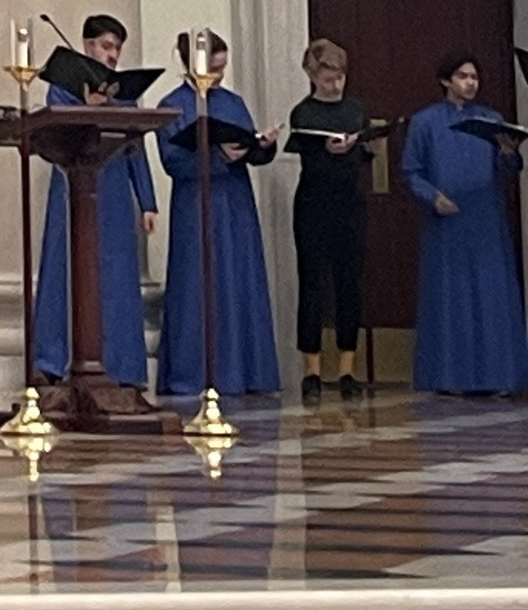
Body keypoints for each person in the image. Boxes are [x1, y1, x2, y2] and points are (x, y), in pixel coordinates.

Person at [31, 13, 156, 392]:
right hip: (73, 188)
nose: (112, 54)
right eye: (106, 46)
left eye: (117, 48)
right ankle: (53, 361)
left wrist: (147, 202)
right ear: (87, 46)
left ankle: (122, 367)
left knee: (117, 278)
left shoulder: (124, 94)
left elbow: (136, 148)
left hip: (114, 192)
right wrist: (89, 105)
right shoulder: (62, 87)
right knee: (65, 270)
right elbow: (54, 133)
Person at [157, 30, 282, 399]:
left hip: (236, 202)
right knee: (197, 283)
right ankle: (193, 373)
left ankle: (247, 372)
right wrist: (217, 155)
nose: (220, 76)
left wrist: (262, 146)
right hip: (195, 204)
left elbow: (250, 150)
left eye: (223, 68)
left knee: (239, 279)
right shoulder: (172, 105)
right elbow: (172, 161)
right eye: (214, 68)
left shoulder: (232, 102)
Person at [402, 54, 528, 398]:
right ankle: (448, 377)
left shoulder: (492, 120)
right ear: (446, 80)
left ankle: (497, 377)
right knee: (450, 298)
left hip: (485, 220)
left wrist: (509, 153)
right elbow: (411, 172)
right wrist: (432, 197)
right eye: (463, 76)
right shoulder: (425, 122)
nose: (471, 83)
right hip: (446, 223)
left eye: (474, 77)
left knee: (490, 298)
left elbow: (508, 171)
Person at [286, 38, 372, 403]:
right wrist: (328, 149)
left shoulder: (355, 109)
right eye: (327, 79)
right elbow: (308, 158)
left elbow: (365, 154)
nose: (335, 85)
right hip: (314, 204)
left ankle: (347, 369)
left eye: (339, 78)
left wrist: (356, 147)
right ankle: (312, 371)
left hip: (349, 204)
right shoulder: (304, 113)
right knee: (312, 285)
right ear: (312, 76)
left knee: (349, 283)